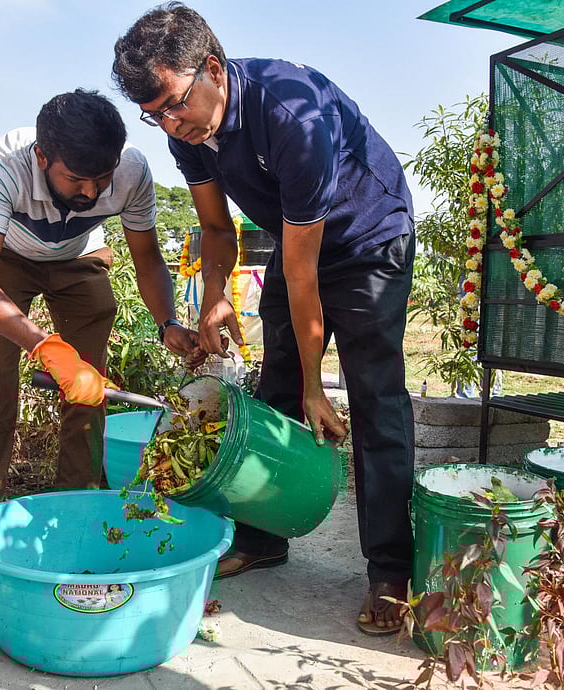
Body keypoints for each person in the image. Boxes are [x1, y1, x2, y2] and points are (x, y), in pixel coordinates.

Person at [112, 4, 416, 636]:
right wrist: (216, 296)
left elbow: (304, 275)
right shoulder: (186, 131)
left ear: (213, 71)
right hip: (296, 237)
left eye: (174, 104)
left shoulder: (291, 114)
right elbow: (217, 229)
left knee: (373, 393)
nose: (170, 123)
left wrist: (316, 386)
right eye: (154, 115)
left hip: (368, 238)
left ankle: (391, 569)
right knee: (271, 386)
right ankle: (263, 535)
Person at [0, 88, 202, 593]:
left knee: (88, 386)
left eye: (100, 180)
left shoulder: (131, 170)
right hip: (7, 265)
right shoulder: (8, 163)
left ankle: (79, 508)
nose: (90, 193)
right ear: (42, 156)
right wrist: (43, 346)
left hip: (81, 259)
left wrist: (168, 321)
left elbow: (148, 258)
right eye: (75, 179)